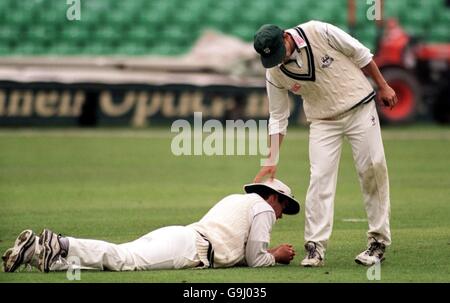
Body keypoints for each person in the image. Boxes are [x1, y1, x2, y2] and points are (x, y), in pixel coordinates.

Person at [253, 21, 396, 267]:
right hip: (322, 120)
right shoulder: (274, 72)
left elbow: (361, 54)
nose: (278, 61)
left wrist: (383, 85)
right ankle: (315, 246)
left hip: (360, 108)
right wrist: (271, 159)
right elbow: (278, 117)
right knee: (319, 179)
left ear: (286, 37)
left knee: (372, 169)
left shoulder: (319, 31)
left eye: (279, 52)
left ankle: (378, 241)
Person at [2, 179, 299, 273]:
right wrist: (276, 255)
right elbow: (256, 259)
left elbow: (241, 252)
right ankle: (61, 244)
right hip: (190, 248)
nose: (282, 215)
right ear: (274, 197)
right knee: (123, 260)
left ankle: (38, 253)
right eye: (283, 207)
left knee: (120, 257)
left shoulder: (239, 199)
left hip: (181, 236)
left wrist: (266, 253)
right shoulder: (263, 208)